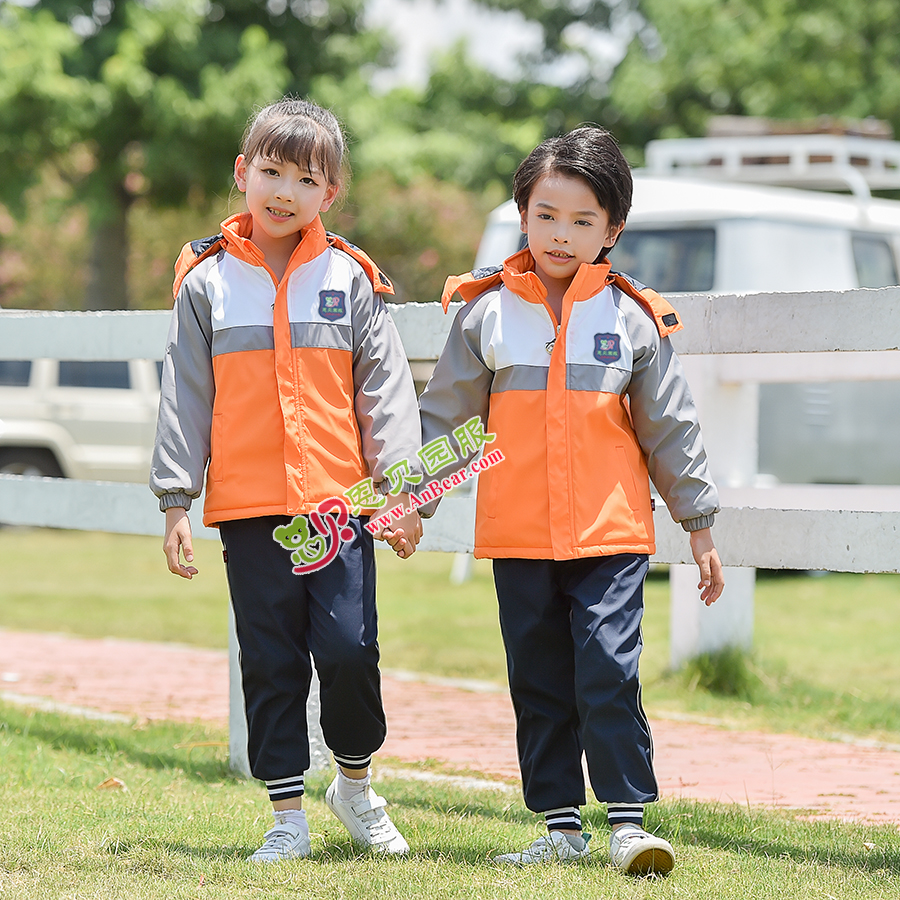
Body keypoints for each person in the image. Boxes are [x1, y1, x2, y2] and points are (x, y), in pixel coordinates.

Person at [417, 126, 724, 876]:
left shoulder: (632, 319)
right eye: (547, 215)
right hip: (517, 535)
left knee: (608, 670)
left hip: (610, 534)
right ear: (523, 213)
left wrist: (700, 523)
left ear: (612, 230)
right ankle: (559, 825)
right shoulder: (483, 313)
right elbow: (445, 420)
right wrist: (409, 505)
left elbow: (671, 427)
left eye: (583, 221)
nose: (561, 234)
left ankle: (627, 823)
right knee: (540, 679)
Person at [150, 97, 423, 862]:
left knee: (346, 649)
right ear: (242, 173)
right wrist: (176, 500)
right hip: (248, 510)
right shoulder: (205, 284)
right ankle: (286, 816)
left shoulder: (351, 278)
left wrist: (402, 494)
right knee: (270, 660)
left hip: (343, 509)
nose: (284, 191)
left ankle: (357, 787)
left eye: (306, 179)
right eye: (270, 171)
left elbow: (385, 392)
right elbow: (185, 397)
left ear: (329, 194)